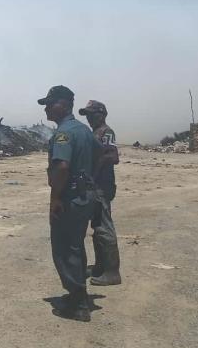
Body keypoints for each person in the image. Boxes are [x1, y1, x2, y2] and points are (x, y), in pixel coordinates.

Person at [37, 85, 98, 322]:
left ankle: (77, 303)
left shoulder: (64, 133)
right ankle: (78, 293)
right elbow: (102, 155)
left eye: (50, 104)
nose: (47, 109)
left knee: (65, 248)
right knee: (76, 245)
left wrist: (55, 199)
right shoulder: (83, 130)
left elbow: (62, 167)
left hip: (70, 198)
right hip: (85, 196)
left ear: (63, 104)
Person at [79, 100, 122, 286]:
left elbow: (113, 156)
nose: (89, 118)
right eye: (87, 115)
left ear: (102, 114)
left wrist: (97, 166)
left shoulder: (106, 131)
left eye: (92, 114)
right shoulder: (94, 132)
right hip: (94, 186)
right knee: (97, 228)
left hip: (103, 186)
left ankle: (112, 271)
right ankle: (99, 266)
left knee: (104, 227)